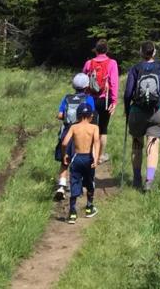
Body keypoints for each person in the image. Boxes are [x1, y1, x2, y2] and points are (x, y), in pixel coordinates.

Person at [124, 40, 160, 192]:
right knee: (153, 145)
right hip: (158, 111)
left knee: (137, 144)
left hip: (137, 111)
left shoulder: (135, 68)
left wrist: (127, 110)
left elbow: (128, 93)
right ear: (154, 52)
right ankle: (149, 180)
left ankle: (137, 179)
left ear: (141, 52)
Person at [54, 73, 95, 201]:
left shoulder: (67, 98)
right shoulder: (89, 99)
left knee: (64, 161)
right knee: (81, 159)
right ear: (87, 86)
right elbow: (91, 115)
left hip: (67, 131)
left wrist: (67, 117)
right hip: (82, 133)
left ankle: (61, 186)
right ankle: (78, 186)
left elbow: (60, 115)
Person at [60, 103, 100, 223]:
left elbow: (64, 143)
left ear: (78, 115)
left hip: (76, 158)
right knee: (90, 183)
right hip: (88, 159)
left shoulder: (74, 127)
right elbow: (97, 143)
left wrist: (64, 155)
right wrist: (96, 159)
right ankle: (89, 208)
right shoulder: (94, 128)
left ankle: (72, 213)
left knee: (74, 183)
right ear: (90, 116)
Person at [82, 39, 119, 165]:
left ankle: (89, 154)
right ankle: (100, 157)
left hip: (90, 99)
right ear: (106, 50)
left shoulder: (89, 63)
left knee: (90, 127)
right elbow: (114, 83)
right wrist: (114, 101)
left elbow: (83, 81)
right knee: (103, 129)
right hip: (105, 99)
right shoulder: (112, 63)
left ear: (96, 50)